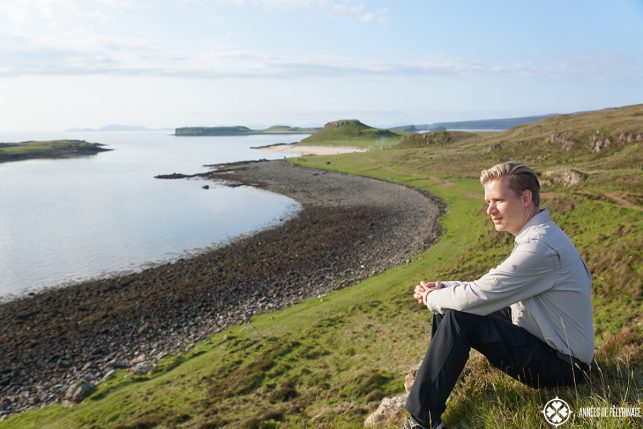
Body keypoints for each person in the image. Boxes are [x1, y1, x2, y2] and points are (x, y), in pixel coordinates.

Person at [402, 162, 594, 429]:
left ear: (525, 198)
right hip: (542, 334)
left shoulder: (540, 248)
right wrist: (444, 288)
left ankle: (422, 421)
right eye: (488, 201)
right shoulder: (541, 235)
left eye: (498, 201)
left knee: (461, 317)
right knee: (454, 307)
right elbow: (491, 287)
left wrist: (431, 298)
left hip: (564, 367)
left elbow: (480, 295)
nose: (489, 210)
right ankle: (438, 383)